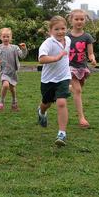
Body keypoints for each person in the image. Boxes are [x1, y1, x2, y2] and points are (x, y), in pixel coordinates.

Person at [36, 16, 71, 146]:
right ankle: (41, 111)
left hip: (64, 78)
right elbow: (41, 59)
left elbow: (66, 58)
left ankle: (61, 134)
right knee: (47, 103)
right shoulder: (47, 43)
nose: (60, 32)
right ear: (50, 31)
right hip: (48, 80)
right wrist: (56, 58)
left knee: (61, 102)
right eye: (57, 29)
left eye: (63, 28)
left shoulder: (68, 40)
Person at [67, 9, 97, 128]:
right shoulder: (67, 36)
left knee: (78, 88)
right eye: (76, 19)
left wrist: (92, 59)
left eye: (82, 19)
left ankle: (67, 88)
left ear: (85, 20)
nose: (79, 21)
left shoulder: (87, 37)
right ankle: (81, 118)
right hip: (69, 67)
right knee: (78, 91)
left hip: (82, 68)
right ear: (71, 20)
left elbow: (90, 53)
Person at [0, 28, 28, 112]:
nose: (6, 38)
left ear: (11, 37)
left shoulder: (14, 48)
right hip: (3, 71)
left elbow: (22, 56)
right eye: (4, 36)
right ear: (0, 37)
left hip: (13, 72)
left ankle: (14, 102)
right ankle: (1, 101)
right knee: (5, 85)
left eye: (8, 36)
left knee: (12, 88)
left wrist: (24, 49)